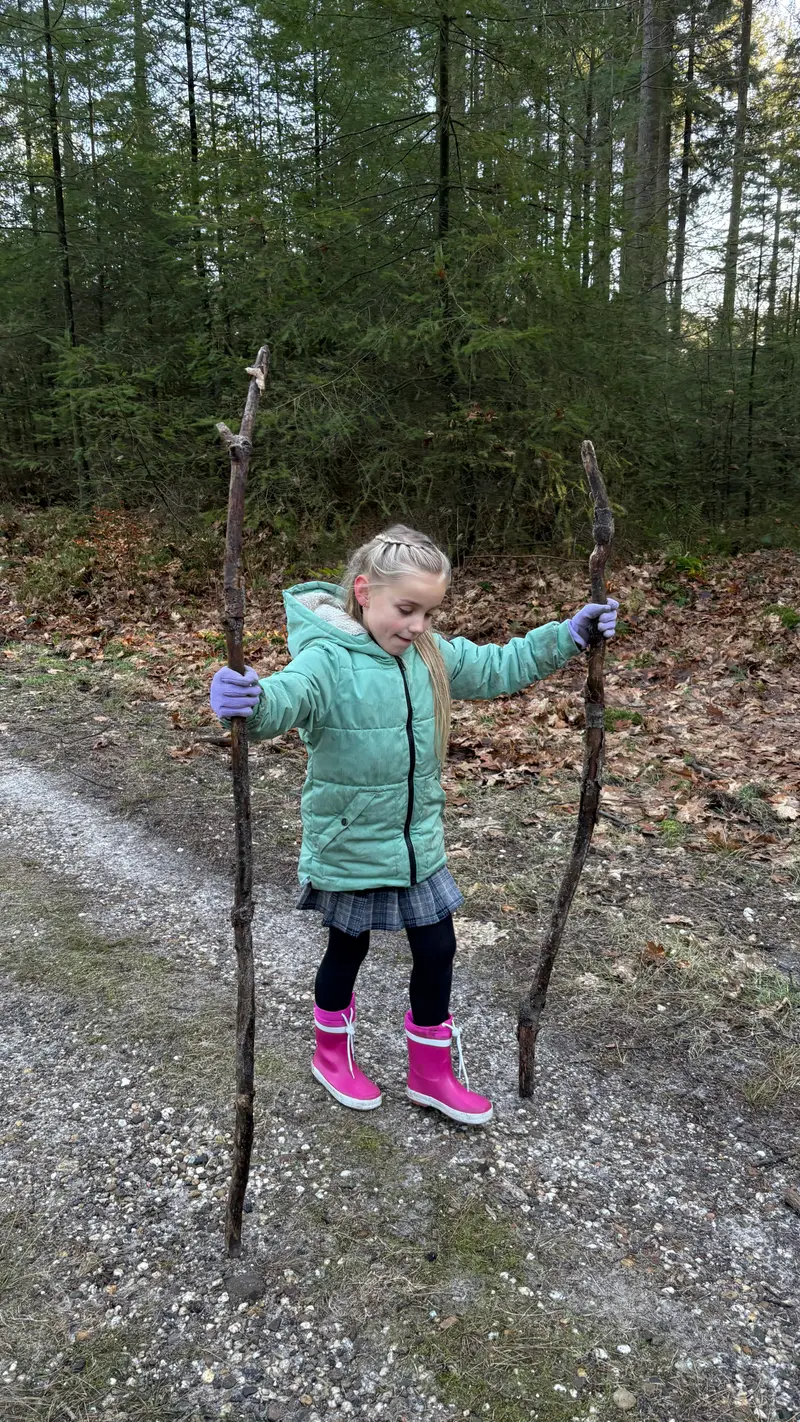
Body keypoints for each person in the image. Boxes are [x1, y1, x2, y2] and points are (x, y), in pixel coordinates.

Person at [209, 525, 618, 1125]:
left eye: (429, 611)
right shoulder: (325, 660)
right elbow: (284, 700)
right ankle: (330, 1055)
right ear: (364, 591)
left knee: (438, 945)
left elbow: (503, 665)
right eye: (407, 609)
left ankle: (430, 1072)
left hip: (416, 842)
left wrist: (568, 635)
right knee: (347, 947)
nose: (419, 624)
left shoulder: (431, 655)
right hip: (350, 841)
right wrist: (249, 700)